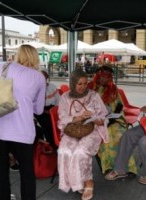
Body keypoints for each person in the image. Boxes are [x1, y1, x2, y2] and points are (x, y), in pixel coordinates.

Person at [0, 44, 46, 200]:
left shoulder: (4, 67)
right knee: (27, 172)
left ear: (19, 55)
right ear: (35, 57)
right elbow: (39, 110)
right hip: (22, 131)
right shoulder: (39, 77)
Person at [57, 69, 109, 200]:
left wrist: (99, 120)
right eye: (79, 84)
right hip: (72, 129)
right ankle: (76, 182)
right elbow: (62, 118)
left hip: (92, 130)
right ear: (72, 83)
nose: (83, 87)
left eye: (85, 83)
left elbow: (104, 115)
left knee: (81, 151)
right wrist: (79, 117)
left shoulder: (94, 95)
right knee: (64, 150)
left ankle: (88, 181)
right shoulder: (65, 97)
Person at [88, 65, 137, 175]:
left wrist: (111, 119)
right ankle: (109, 166)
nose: (106, 79)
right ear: (98, 76)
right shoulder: (90, 88)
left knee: (122, 135)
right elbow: (85, 108)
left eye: (108, 77)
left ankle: (126, 166)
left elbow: (119, 105)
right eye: (103, 76)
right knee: (107, 136)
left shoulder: (113, 89)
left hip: (113, 120)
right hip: (95, 121)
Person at [34, 69, 60, 147]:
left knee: (57, 124)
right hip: (40, 112)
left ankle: (55, 145)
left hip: (52, 110)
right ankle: (51, 146)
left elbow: (58, 100)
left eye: (44, 77)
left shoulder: (52, 87)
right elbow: (34, 105)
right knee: (48, 126)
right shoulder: (35, 89)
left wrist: (55, 111)